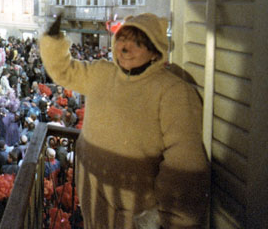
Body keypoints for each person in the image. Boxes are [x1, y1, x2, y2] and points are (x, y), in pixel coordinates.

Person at [40, 13, 209, 228]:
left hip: (135, 208)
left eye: (137, 43)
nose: (126, 48)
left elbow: (184, 165)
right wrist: (53, 41)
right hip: (93, 195)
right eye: (122, 39)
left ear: (155, 51)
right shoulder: (102, 73)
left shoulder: (173, 91)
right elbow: (65, 72)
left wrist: (173, 221)